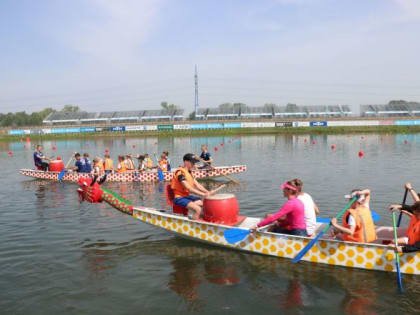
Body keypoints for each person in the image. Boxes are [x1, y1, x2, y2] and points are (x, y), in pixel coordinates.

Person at [170, 153, 212, 220]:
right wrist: (203, 194)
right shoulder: (180, 173)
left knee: (205, 203)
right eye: (192, 162)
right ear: (186, 162)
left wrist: (208, 192)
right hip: (179, 198)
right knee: (198, 209)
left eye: (194, 162)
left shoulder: (189, 172)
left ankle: (200, 218)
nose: (194, 164)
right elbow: (189, 188)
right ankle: (195, 225)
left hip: (186, 196)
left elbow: (198, 185)